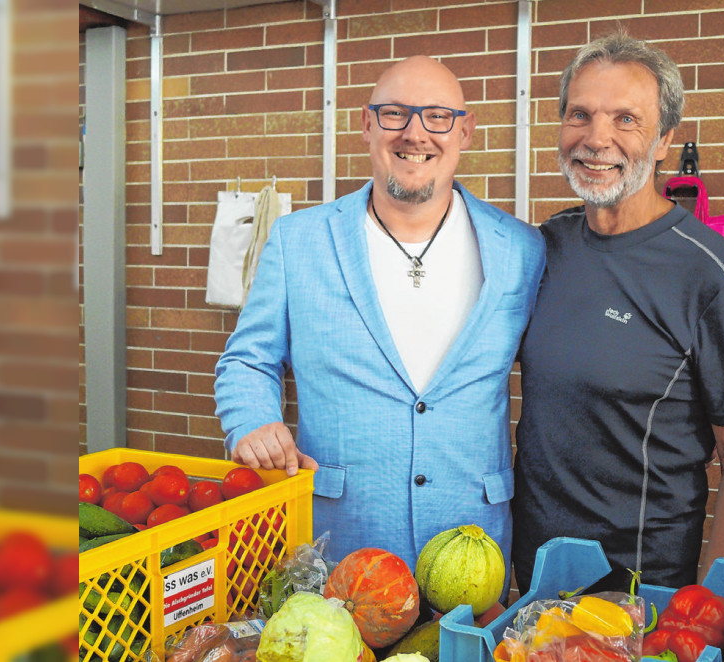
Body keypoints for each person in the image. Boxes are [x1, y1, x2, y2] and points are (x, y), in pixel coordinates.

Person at [214, 56, 545, 570]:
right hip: (338, 541)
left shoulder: (521, 249)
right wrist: (253, 421)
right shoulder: (298, 241)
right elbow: (246, 359)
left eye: (438, 116)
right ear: (366, 124)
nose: (415, 133)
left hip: (472, 546)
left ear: (466, 131)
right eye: (394, 114)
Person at [512, 33, 724, 591]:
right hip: (532, 576)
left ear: (663, 141)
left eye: (625, 119)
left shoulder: (709, 275)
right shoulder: (546, 247)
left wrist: (712, 607)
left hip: (639, 586)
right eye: (579, 114)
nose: (596, 138)